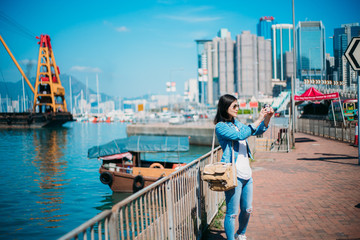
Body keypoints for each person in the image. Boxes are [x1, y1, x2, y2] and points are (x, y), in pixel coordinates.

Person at [214, 94, 274, 240]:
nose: (237, 108)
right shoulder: (221, 127)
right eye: (234, 106)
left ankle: (240, 233)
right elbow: (240, 136)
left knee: (247, 209)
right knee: (232, 213)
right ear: (225, 108)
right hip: (233, 174)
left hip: (247, 174)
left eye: (237, 105)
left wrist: (267, 117)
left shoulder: (237, 123)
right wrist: (258, 118)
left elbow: (257, 131)